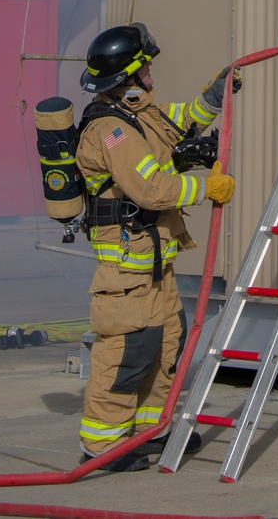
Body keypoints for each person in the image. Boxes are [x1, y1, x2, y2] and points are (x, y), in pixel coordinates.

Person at [74, 23, 238, 471]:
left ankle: (150, 431)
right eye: (145, 65)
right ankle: (102, 446)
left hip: (153, 261)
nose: (150, 72)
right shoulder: (111, 130)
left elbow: (176, 126)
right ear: (130, 74)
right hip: (126, 265)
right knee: (128, 351)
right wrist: (207, 187)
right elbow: (149, 189)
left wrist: (216, 94)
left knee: (167, 346)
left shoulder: (135, 113)